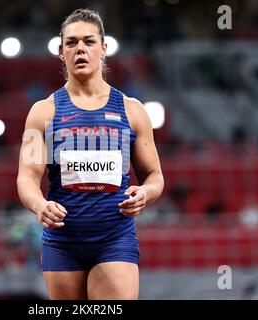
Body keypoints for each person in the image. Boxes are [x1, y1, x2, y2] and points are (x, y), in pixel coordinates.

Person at [17, 8, 164, 300]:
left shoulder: (132, 110)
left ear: (104, 48)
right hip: (63, 241)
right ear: (61, 52)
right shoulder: (43, 113)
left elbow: (155, 176)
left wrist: (145, 193)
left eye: (88, 41)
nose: (80, 49)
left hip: (114, 238)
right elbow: (27, 178)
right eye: (71, 43)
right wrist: (39, 206)